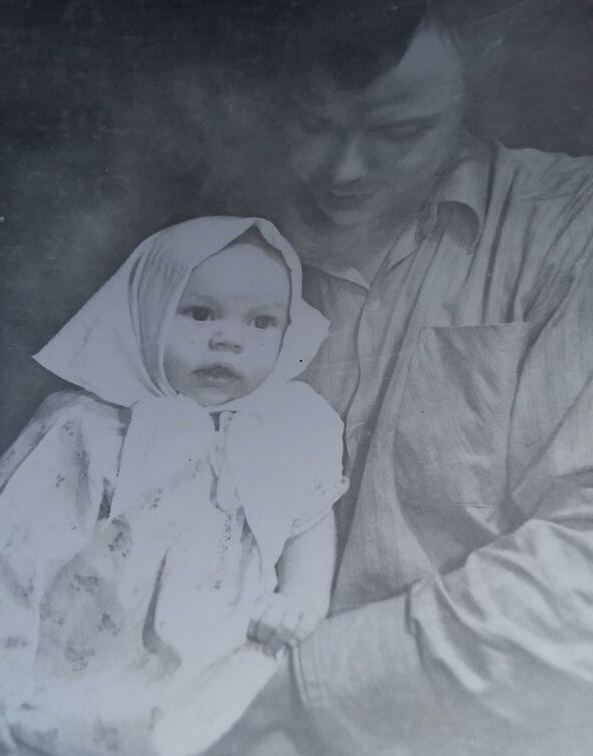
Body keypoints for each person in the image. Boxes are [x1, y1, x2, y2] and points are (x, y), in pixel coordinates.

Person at [203, 4, 593, 756]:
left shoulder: (572, 229)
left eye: (400, 132)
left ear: (472, 92)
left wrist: (293, 686)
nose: (343, 171)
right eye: (313, 123)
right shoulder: (221, 238)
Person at [0, 216, 348, 756]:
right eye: (201, 314)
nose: (229, 339)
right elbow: (9, 554)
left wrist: (301, 596)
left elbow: (310, 515)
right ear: (149, 312)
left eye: (262, 322)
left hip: (219, 658)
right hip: (85, 659)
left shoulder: (288, 425)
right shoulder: (89, 427)